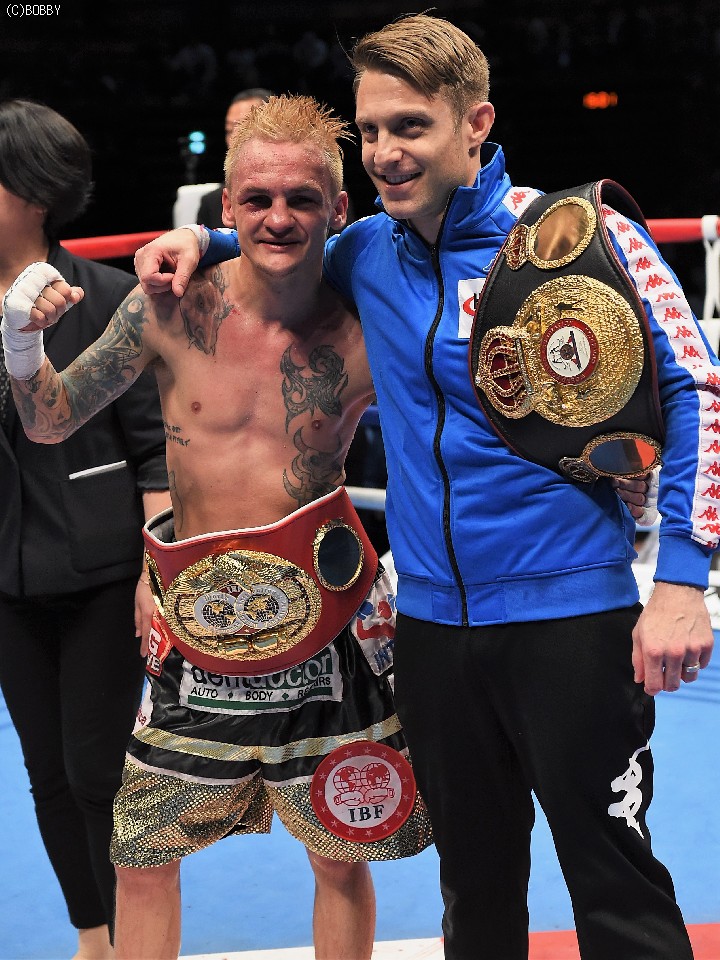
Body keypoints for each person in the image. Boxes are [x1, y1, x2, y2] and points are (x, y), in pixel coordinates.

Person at [132, 13, 717, 960]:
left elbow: (696, 388)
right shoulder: (368, 252)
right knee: (473, 894)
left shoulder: (579, 236)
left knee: (616, 886)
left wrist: (683, 580)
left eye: (411, 126)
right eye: (370, 131)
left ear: (475, 123)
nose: (385, 153)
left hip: (571, 617)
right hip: (434, 631)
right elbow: (277, 239)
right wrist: (197, 238)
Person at [2, 94, 432, 960]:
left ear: (337, 209)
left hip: (327, 621)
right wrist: (20, 342)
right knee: (141, 856)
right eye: (258, 199)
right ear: (227, 206)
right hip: (195, 632)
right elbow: (50, 420)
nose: (279, 217)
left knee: (339, 853)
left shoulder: (366, 326)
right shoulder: (169, 308)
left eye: (302, 199)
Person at [0, 99, 170, 960]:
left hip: (105, 571)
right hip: (7, 574)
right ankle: (92, 937)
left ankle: (133, 935)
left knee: (98, 770)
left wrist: (154, 573)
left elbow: (155, 451)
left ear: (32, 192)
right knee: (46, 774)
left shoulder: (108, 299)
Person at [195, 87, 275, 228]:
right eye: (229, 130)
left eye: (244, 128)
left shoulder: (299, 193)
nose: (234, 139)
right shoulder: (212, 203)